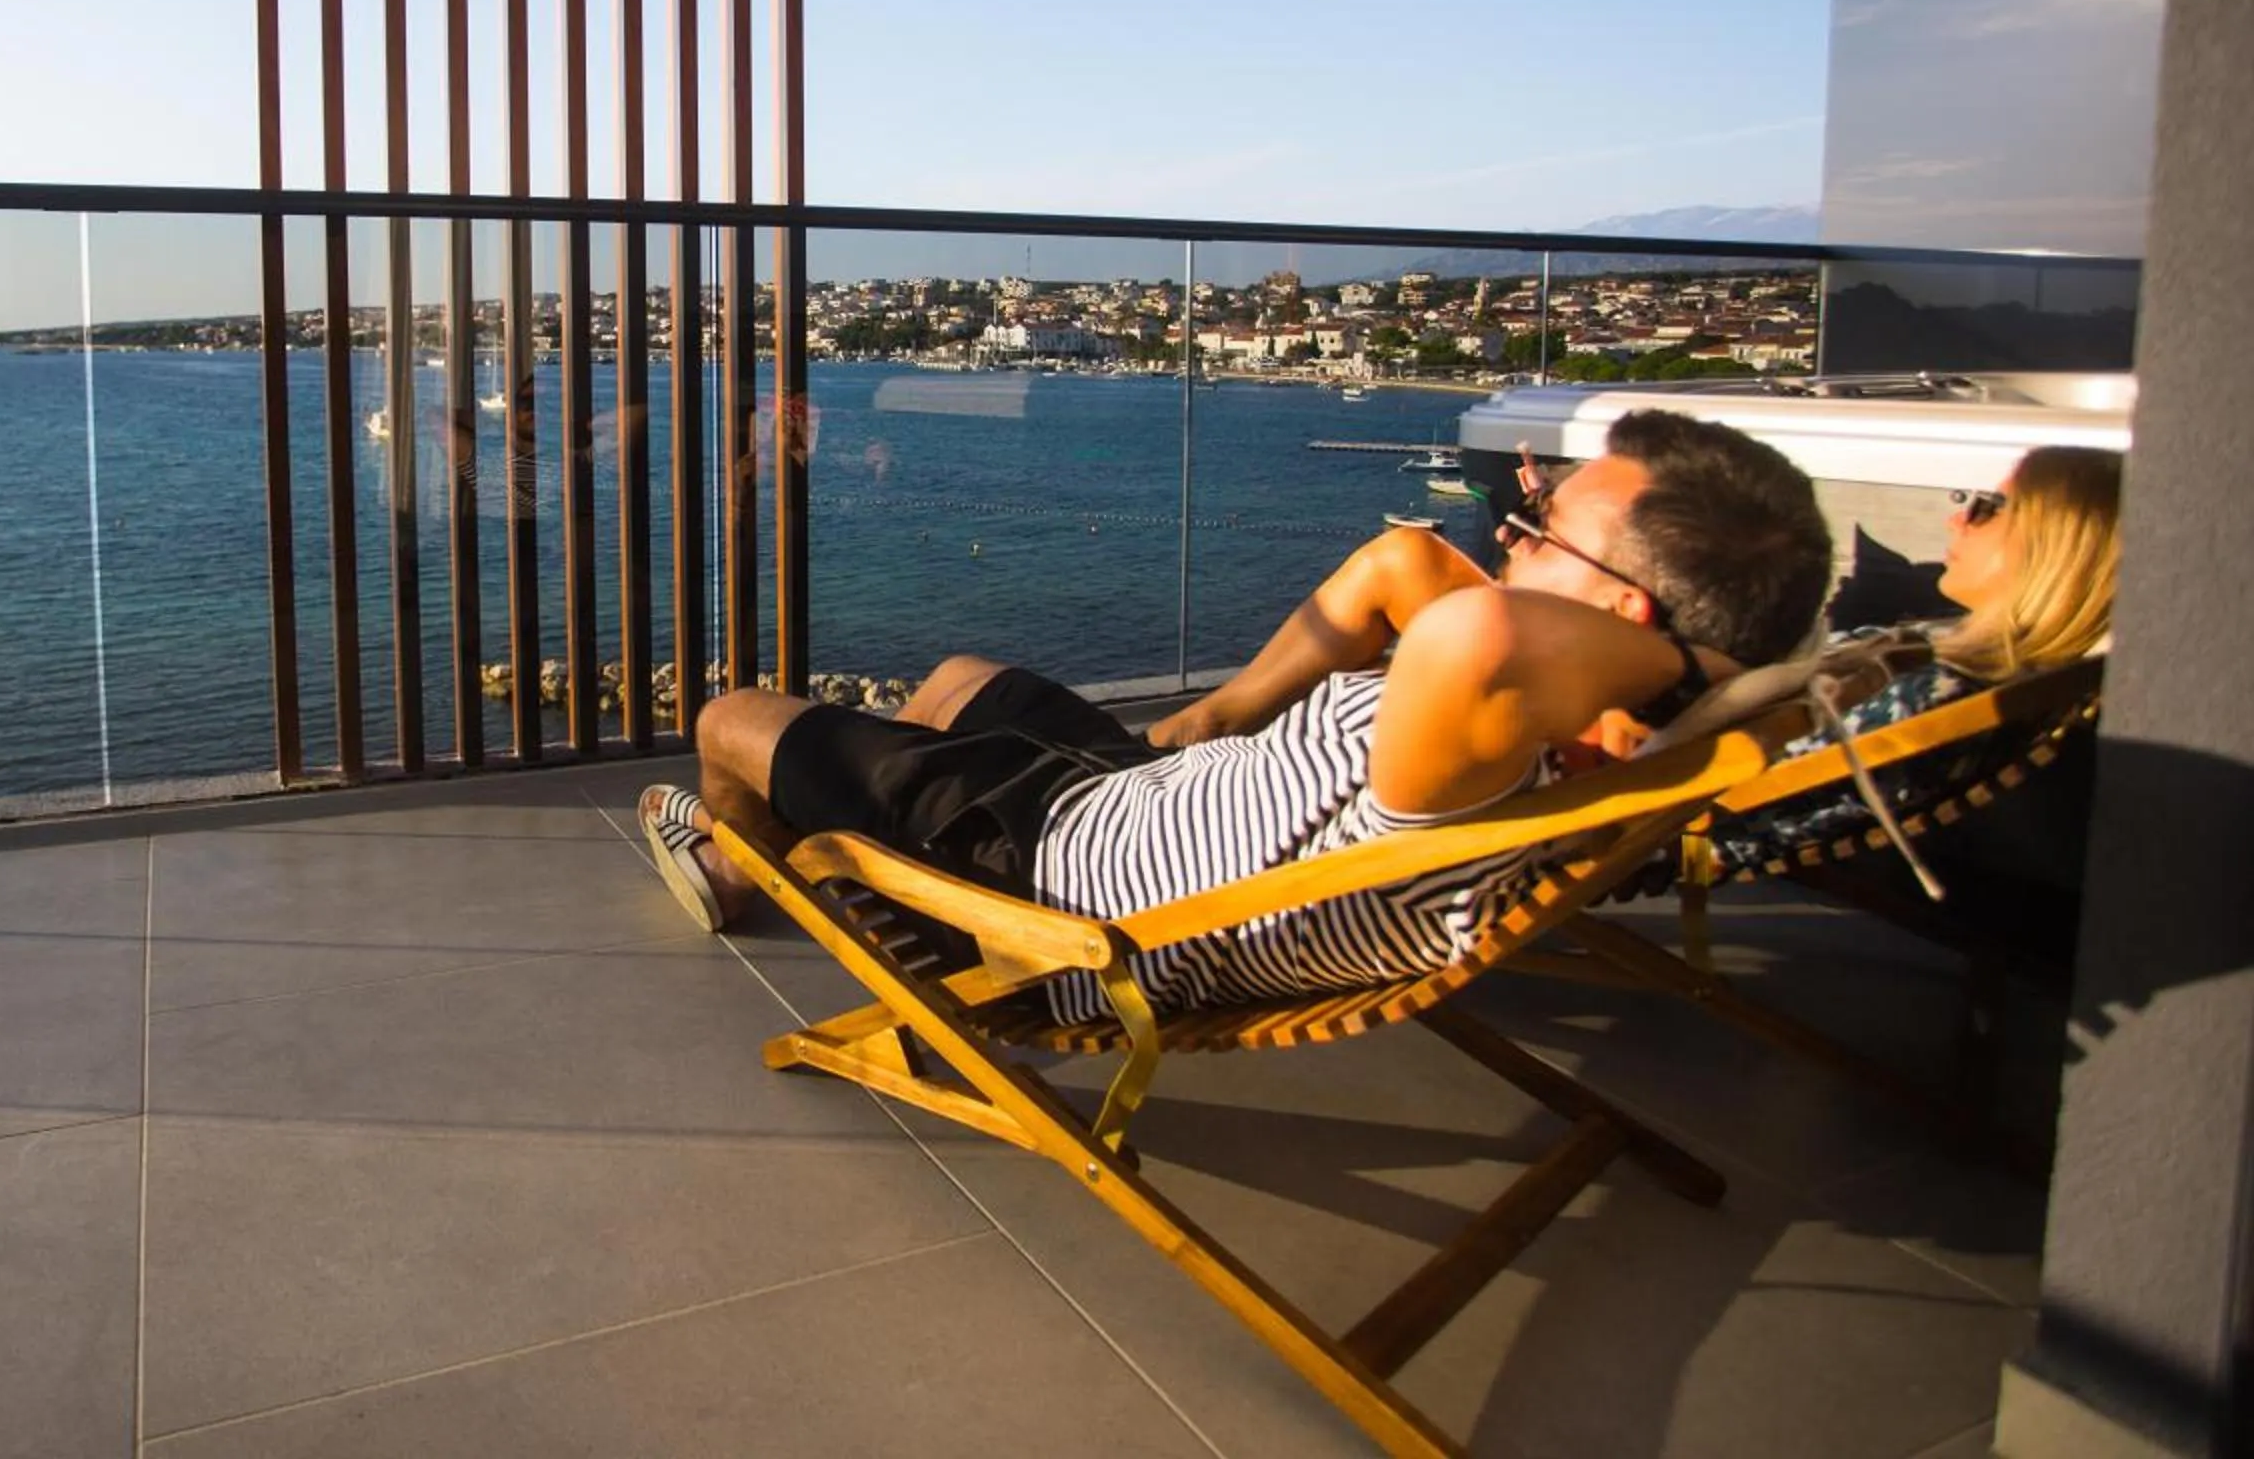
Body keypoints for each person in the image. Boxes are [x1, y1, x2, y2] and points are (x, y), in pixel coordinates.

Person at [637, 409, 1834, 1021]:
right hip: (1150, 799)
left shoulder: (1475, 748)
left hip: (1065, 889)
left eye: (1540, 530)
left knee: (730, 713)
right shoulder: (1559, 743)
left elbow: (1476, 627)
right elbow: (1411, 563)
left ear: (1625, 619)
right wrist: (1673, 659)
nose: (1509, 537)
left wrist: (1653, 651)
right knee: (955, 676)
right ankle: (877, 802)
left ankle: (748, 868)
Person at [1706, 443, 2123, 875]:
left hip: (1670, 829)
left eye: (1991, 509)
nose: (1956, 518)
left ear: (2053, 549)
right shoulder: (1975, 664)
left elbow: (1742, 796)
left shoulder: (1941, 692)